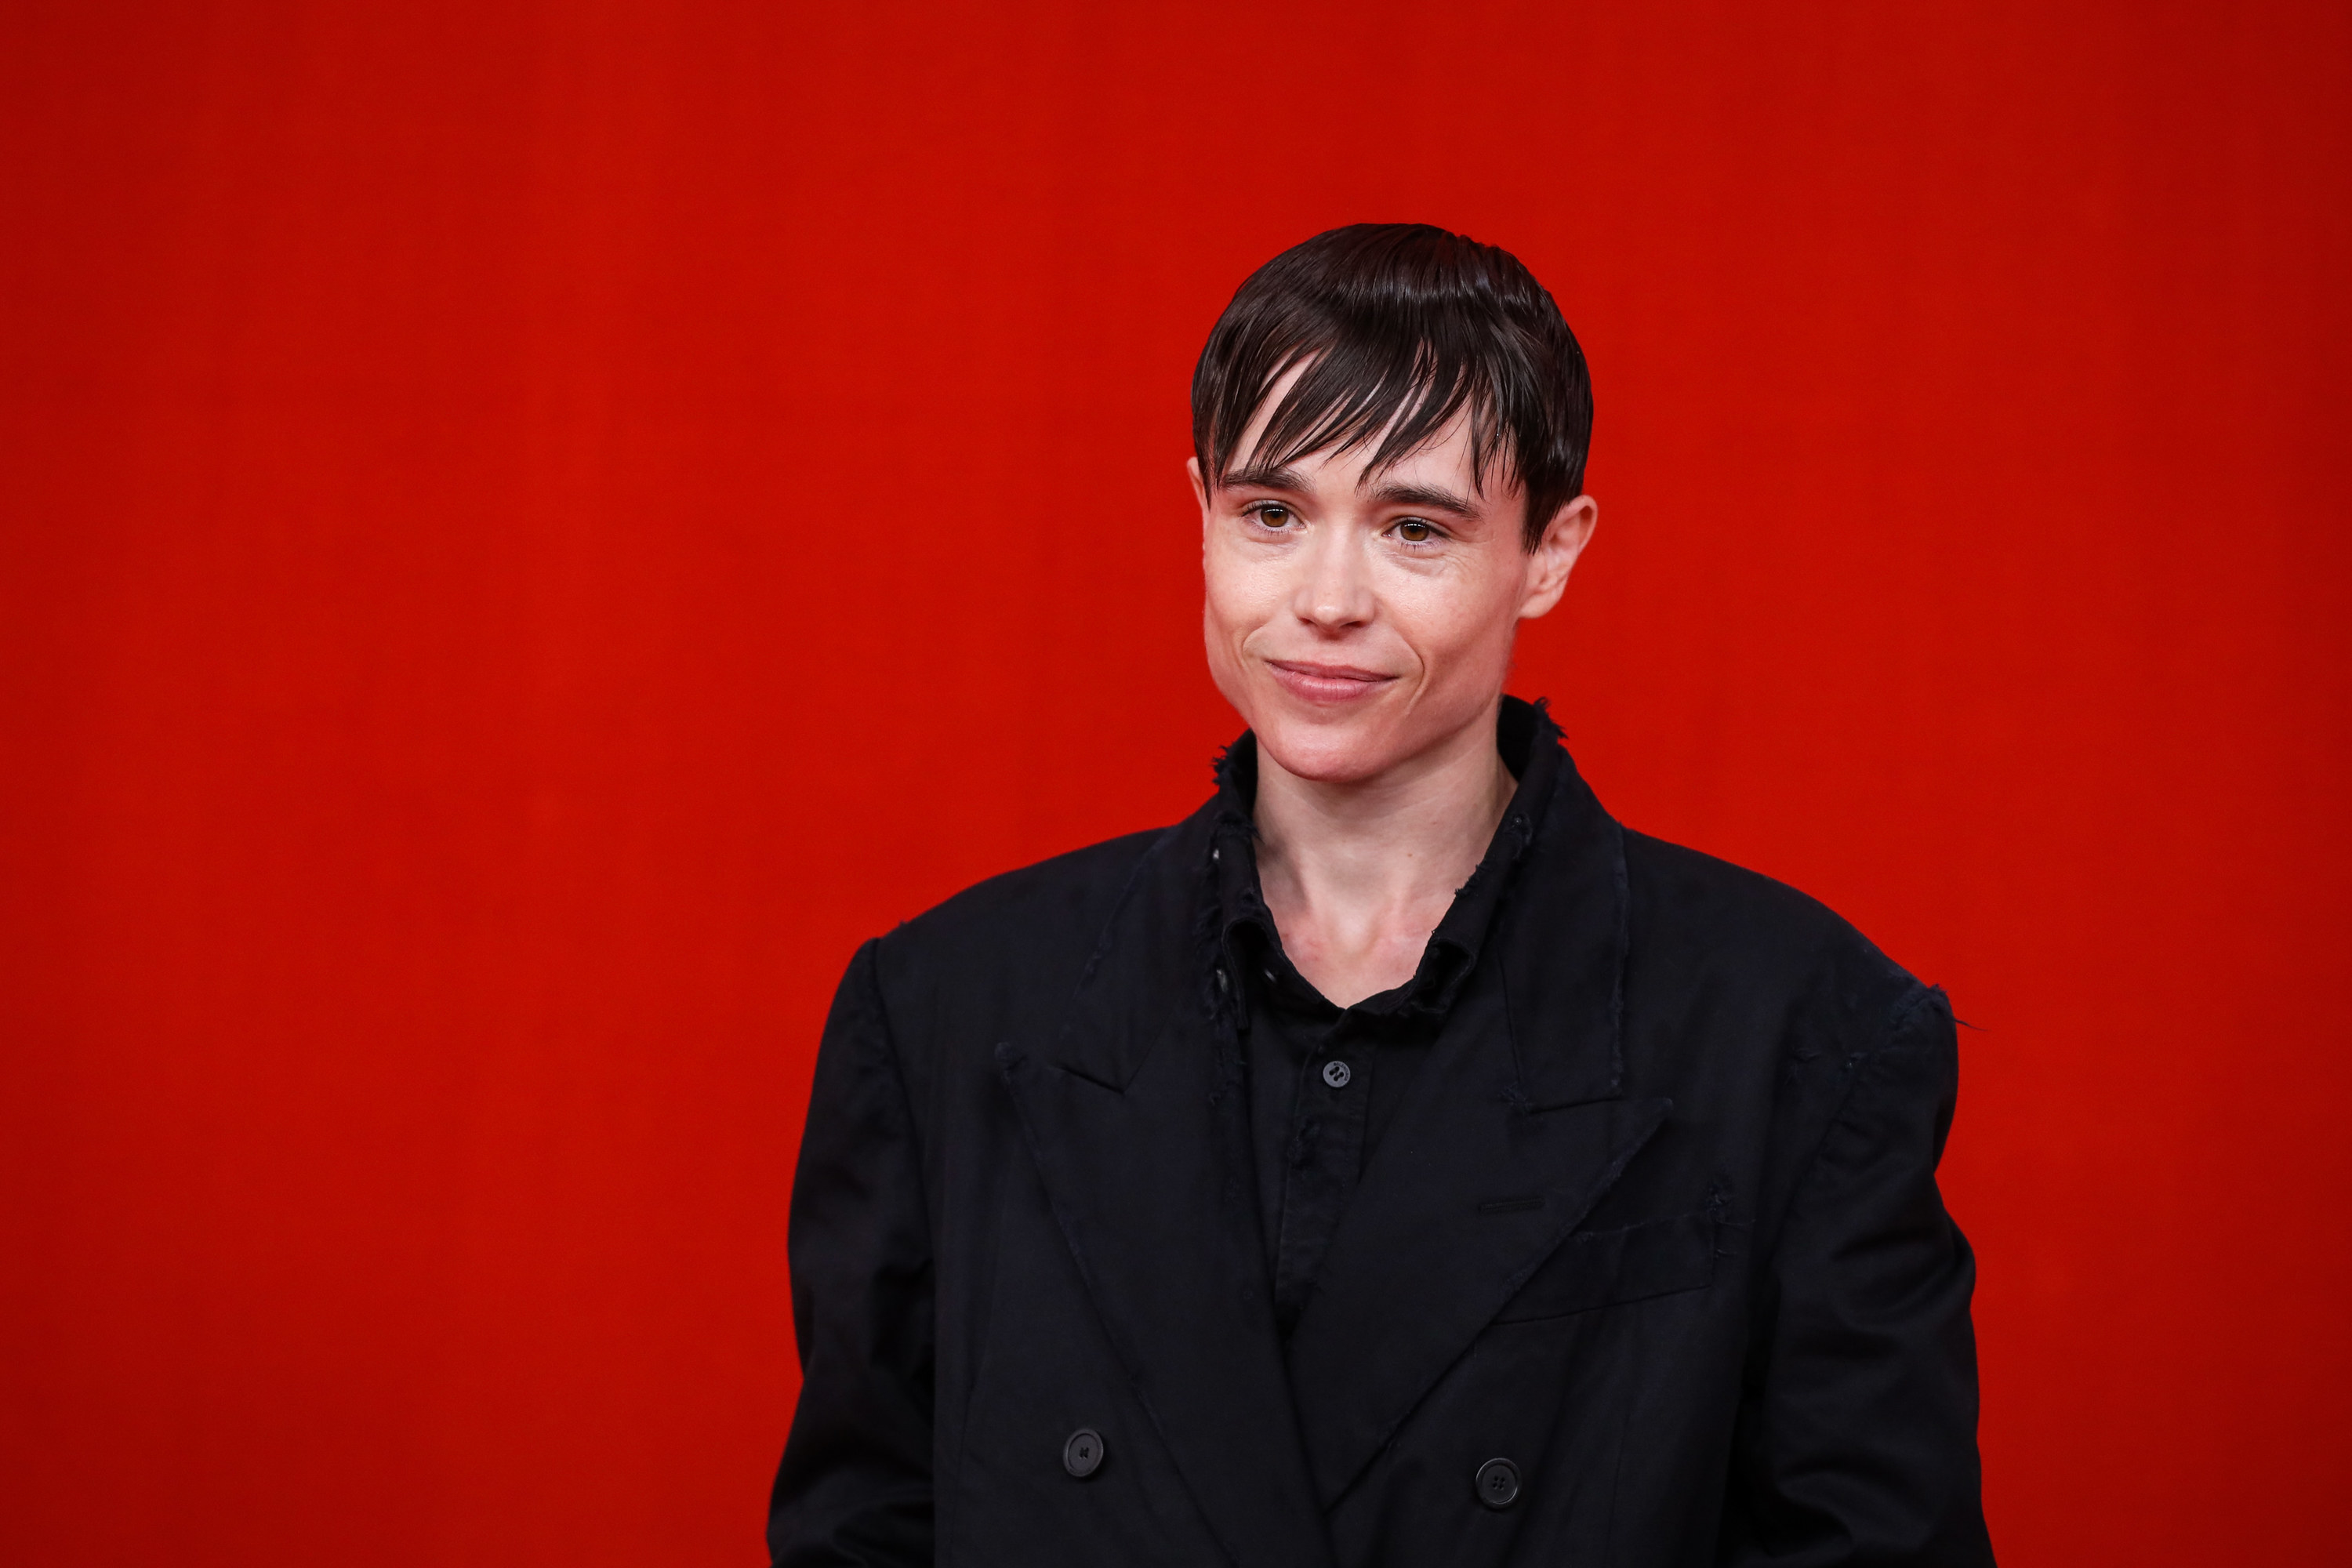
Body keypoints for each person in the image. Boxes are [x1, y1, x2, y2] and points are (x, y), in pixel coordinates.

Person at [767, 223, 1993, 1567]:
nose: (1326, 600)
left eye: (1416, 527)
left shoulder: (1805, 1034)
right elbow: (862, 1531)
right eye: (1274, 514)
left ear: (1552, 550)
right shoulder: (943, 1005)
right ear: (1202, 517)